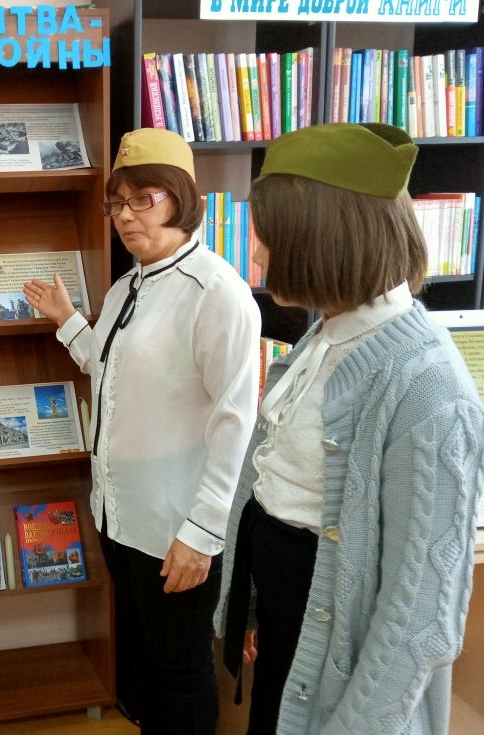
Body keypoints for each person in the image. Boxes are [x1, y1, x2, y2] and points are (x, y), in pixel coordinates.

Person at [217, 123, 484, 734]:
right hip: (291, 632)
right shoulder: (326, 335)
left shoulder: (430, 389)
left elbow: (422, 617)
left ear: (322, 238)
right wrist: (253, 600)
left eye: (268, 238)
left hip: (351, 688)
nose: (255, 256)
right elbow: (280, 484)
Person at [24, 128, 260, 733]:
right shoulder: (126, 286)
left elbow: (236, 420)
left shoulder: (217, 292)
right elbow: (109, 370)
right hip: (118, 516)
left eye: (143, 199)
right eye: (117, 203)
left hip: (175, 529)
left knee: (181, 671)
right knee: (147, 666)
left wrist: (203, 533)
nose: (126, 217)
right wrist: (68, 320)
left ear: (182, 199)